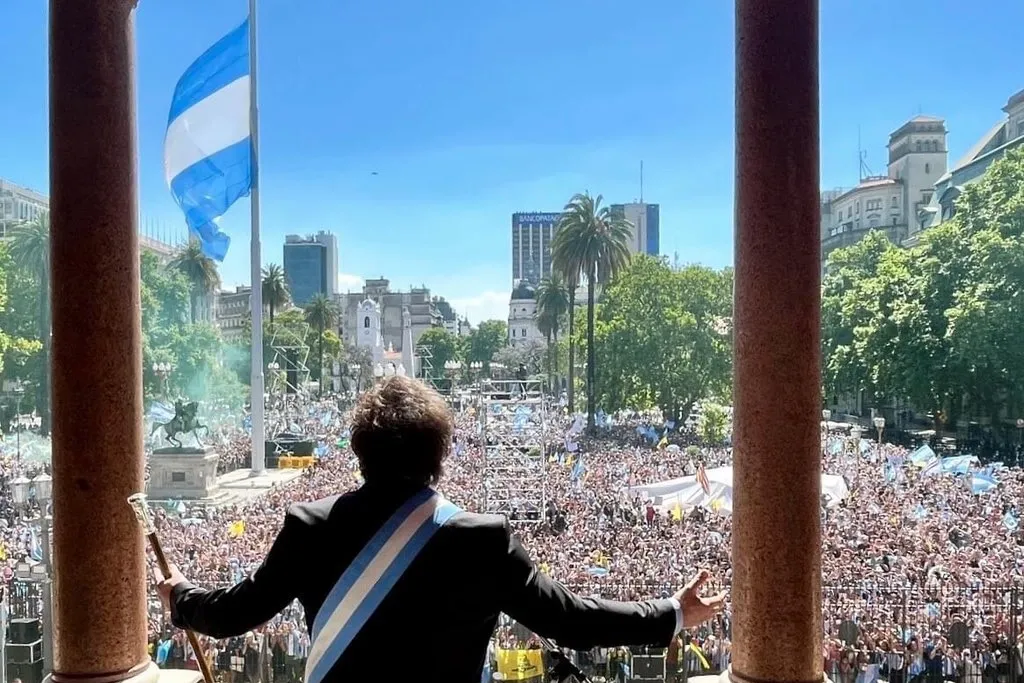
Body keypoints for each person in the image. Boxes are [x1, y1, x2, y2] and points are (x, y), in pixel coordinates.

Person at [158, 376, 727, 683]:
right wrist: (671, 613)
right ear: (441, 455)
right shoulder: (482, 540)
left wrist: (181, 595)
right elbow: (570, 621)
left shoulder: (310, 527)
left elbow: (234, 615)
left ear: (359, 452)